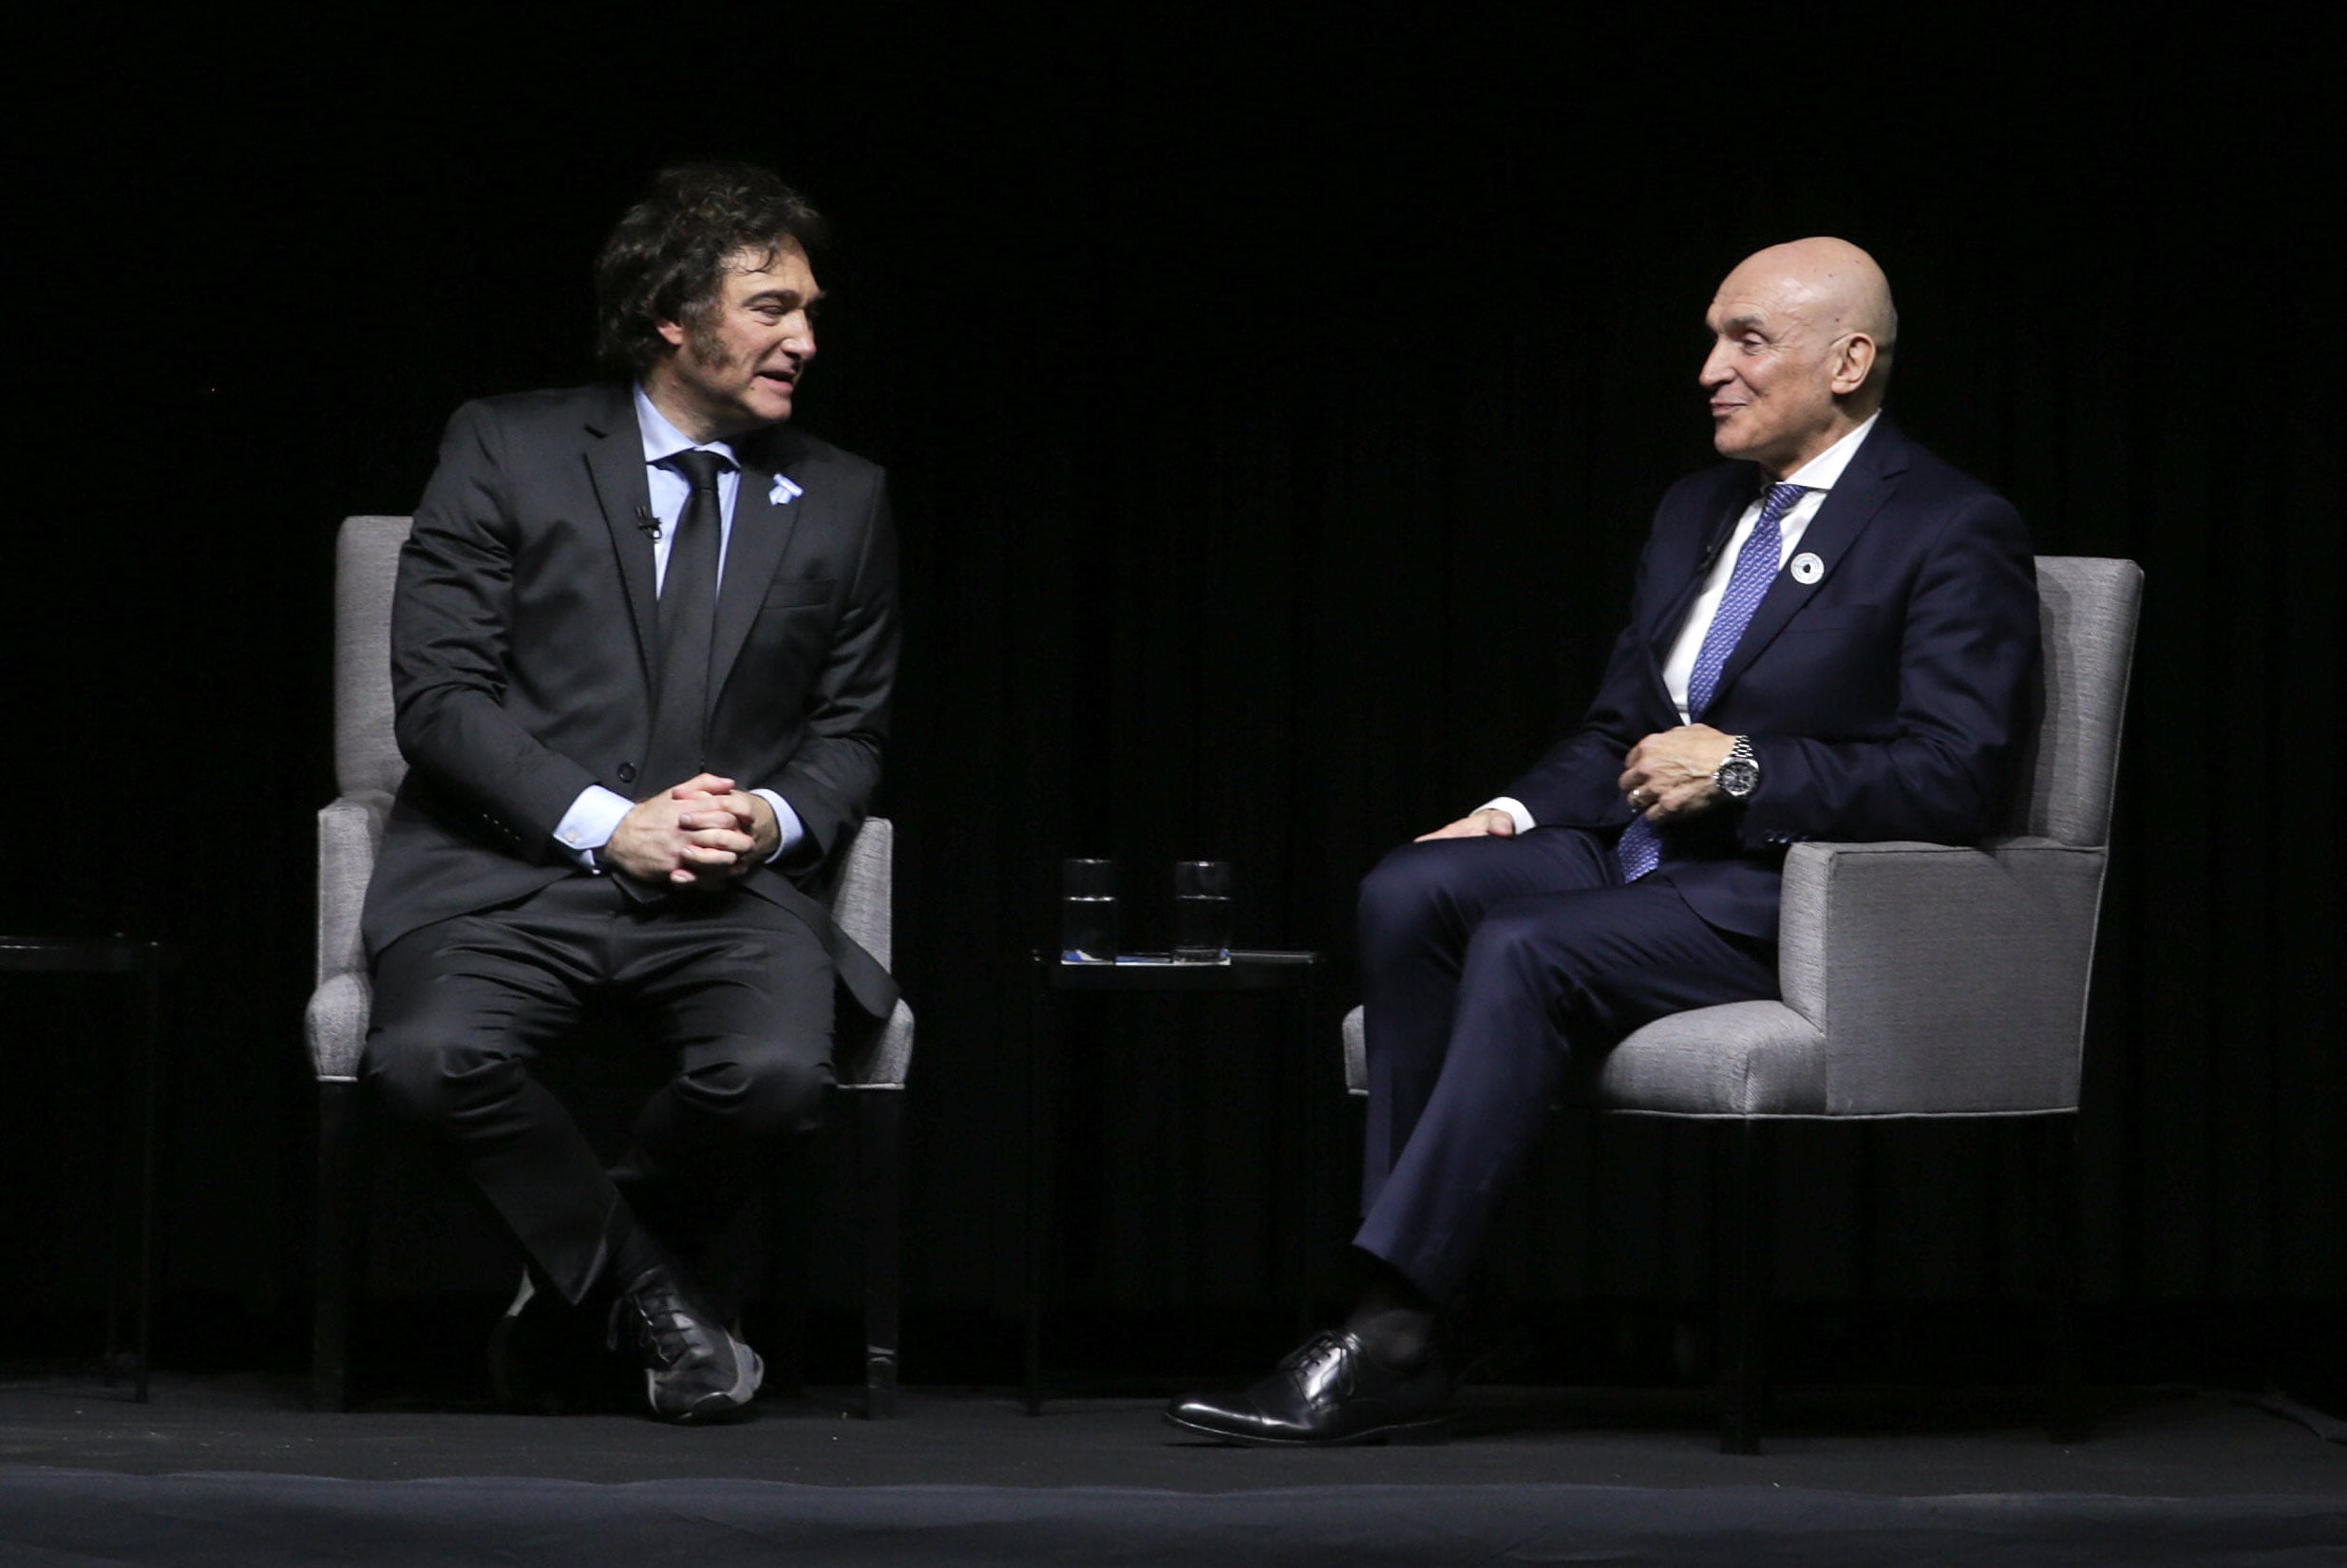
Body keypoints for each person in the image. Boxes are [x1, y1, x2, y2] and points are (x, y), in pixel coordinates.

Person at [1165, 237, 2038, 1446]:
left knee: (1527, 944)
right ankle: (1453, 1295)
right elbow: (1623, 727)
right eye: (1710, 338)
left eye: (1745, 340)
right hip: (1641, 858)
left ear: (1847, 362)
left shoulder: (1948, 526)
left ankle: (1394, 1324)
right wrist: (1510, 813)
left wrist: (1744, 767)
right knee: (1413, 889)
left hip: (1789, 889)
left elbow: (1957, 773)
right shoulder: (1694, 510)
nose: (1708, 370)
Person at [360, 163, 899, 1424]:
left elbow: (850, 730)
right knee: (428, 1058)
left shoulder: (844, 495)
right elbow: (439, 699)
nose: (804, 340)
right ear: (670, 311)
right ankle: (657, 1300)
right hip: (511, 870)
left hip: (725, 888)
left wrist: (770, 817)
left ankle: (572, 1301)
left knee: (776, 1074)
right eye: (770, 306)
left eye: (809, 311)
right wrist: (612, 826)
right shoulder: (506, 444)